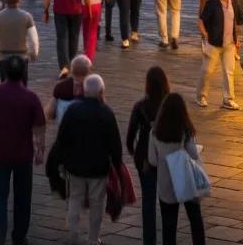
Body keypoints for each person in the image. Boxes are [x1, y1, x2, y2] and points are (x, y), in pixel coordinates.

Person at [0, 55, 46, 245]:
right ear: (23, 73)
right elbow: (39, 126)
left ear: (4, 72)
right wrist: (40, 150)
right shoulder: (31, 97)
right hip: (23, 154)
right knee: (23, 196)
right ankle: (19, 236)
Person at [54, 74, 123, 245]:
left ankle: (73, 235)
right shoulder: (107, 113)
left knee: (75, 199)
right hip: (98, 169)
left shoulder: (72, 110)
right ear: (101, 92)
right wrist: (117, 165)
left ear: (83, 91)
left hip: (75, 166)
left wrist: (61, 161)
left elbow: (62, 138)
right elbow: (115, 144)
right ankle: (93, 239)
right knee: (97, 204)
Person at [148, 93, 207, 245]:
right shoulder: (185, 131)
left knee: (169, 225)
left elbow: (152, 161)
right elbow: (193, 155)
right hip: (185, 179)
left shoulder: (154, 132)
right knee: (195, 220)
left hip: (166, 182)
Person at [127, 66, 170, 245]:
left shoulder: (140, 106)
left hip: (145, 160)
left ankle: (149, 241)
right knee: (168, 204)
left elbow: (130, 138)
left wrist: (137, 156)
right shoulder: (170, 105)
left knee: (148, 203)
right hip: (167, 160)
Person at [196, 0, 241, 110]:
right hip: (214, 42)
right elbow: (201, 20)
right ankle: (201, 96)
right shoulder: (212, 3)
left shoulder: (232, 2)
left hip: (229, 43)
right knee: (207, 71)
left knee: (229, 72)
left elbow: (233, 21)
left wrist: (236, 37)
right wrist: (204, 33)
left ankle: (228, 99)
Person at [0, 0, 40, 83]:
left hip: (3, 57)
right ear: (19, 1)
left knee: (4, 86)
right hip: (22, 56)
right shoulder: (27, 17)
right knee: (23, 86)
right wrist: (34, 53)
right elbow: (34, 39)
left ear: (5, 1)